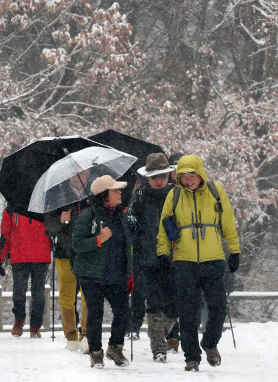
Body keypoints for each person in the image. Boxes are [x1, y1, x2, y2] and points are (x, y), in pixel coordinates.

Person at [156, 154, 240, 372]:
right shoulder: (174, 196)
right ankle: (191, 357)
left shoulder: (215, 191)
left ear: (200, 173)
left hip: (213, 259)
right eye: (183, 176)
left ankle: (210, 343)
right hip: (184, 261)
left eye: (192, 174)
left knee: (219, 307)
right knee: (188, 311)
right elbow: (164, 227)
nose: (188, 179)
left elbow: (228, 222)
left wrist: (234, 250)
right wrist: (163, 254)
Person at [72, 175, 134, 369]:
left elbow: (126, 246)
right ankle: (96, 352)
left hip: (117, 273)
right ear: (104, 195)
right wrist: (99, 240)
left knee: (123, 312)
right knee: (95, 314)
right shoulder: (88, 215)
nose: (120, 192)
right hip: (92, 275)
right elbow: (77, 244)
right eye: (115, 190)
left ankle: (115, 347)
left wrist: (129, 271)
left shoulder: (121, 215)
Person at [128, 152, 179, 362]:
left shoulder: (176, 195)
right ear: (148, 177)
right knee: (155, 301)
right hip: (147, 256)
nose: (159, 181)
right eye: (154, 177)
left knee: (174, 303)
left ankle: (160, 332)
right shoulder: (140, 195)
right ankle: (158, 347)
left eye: (162, 176)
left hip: (174, 255)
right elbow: (130, 221)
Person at [0, 208, 51, 338]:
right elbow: (5, 235)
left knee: (37, 294)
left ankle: (34, 326)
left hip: (40, 255)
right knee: (20, 291)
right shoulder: (11, 209)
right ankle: (19, 320)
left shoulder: (45, 206)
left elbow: (54, 227)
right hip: (20, 254)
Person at [44, 202, 88, 351]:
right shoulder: (59, 198)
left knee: (89, 294)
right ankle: (71, 336)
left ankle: (86, 335)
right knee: (66, 296)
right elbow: (48, 225)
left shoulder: (92, 195)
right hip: (64, 252)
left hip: (87, 252)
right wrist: (60, 220)